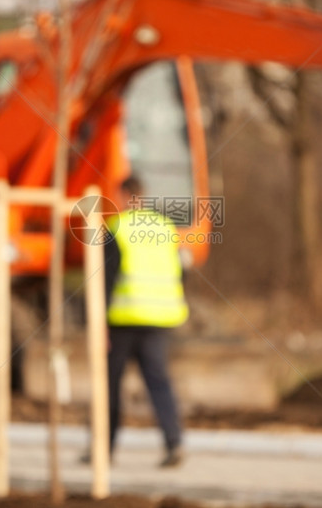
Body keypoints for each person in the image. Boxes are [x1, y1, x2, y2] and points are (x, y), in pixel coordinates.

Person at [102, 175, 188, 468]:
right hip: (160, 319)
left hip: (124, 320)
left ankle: (105, 449)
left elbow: (106, 280)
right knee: (159, 383)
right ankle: (174, 442)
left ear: (126, 195)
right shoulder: (165, 228)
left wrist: (98, 322)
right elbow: (180, 273)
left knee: (110, 386)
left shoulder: (119, 227)